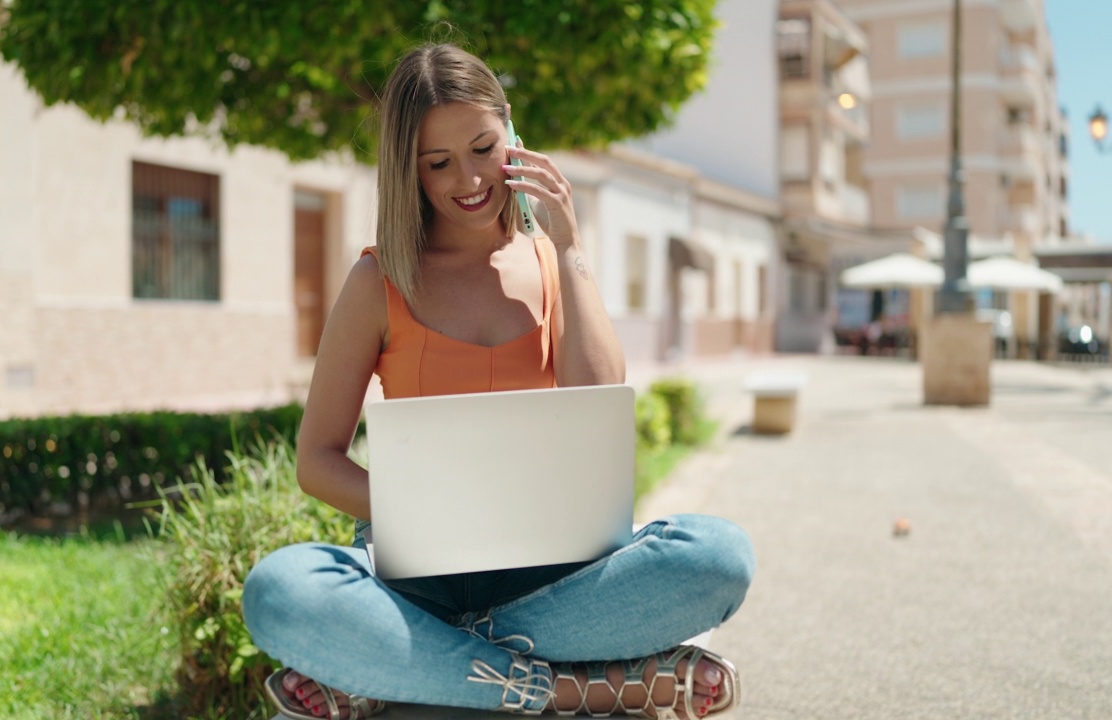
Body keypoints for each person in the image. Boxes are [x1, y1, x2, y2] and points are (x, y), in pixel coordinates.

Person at [242, 43, 755, 720]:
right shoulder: (378, 281)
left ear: (512, 133)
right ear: (408, 170)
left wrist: (570, 247)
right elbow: (317, 460)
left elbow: (597, 400)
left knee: (718, 556)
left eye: (484, 147)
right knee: (280, 590)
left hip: (559, 573)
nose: (470, 179)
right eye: (439, 163)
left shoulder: (550, 262)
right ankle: (583, 686)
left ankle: (409, 665)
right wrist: (422, 515)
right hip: (417, 578)